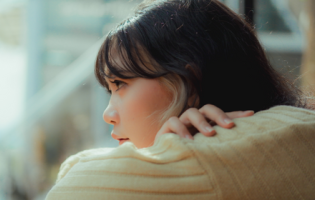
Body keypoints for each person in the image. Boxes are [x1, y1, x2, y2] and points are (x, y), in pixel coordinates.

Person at [45, 0, 315, 199]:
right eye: (110, 90)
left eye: (121, 84)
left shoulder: (205, 158)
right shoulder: (285, 129)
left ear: (190, 83)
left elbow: (71, 191)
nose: (108, 114)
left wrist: (170, 152)